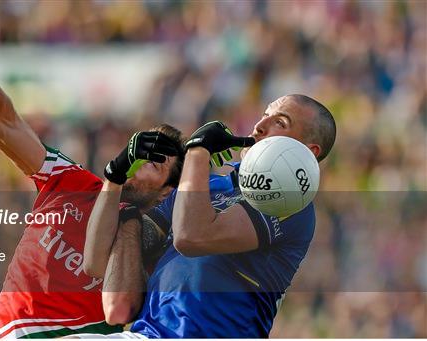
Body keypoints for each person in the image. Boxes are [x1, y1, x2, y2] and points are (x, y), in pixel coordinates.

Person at [0, 41, 185, 338]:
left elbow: (121, 308)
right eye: (141, 151)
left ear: (165, 193)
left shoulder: (153, 247)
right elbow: (4, 124)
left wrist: (128, 218)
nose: (141, 163)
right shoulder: (69, 179)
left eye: (156, 164)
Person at [83, 94, 336, 338]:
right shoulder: (210, 186)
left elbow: (190, 238)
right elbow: (97, 263)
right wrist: (114, 178)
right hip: (149, 333)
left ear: (306, 151)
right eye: (264, 115)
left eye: (280, 123)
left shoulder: (291, 201)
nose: (259, 126)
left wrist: (198, 150)